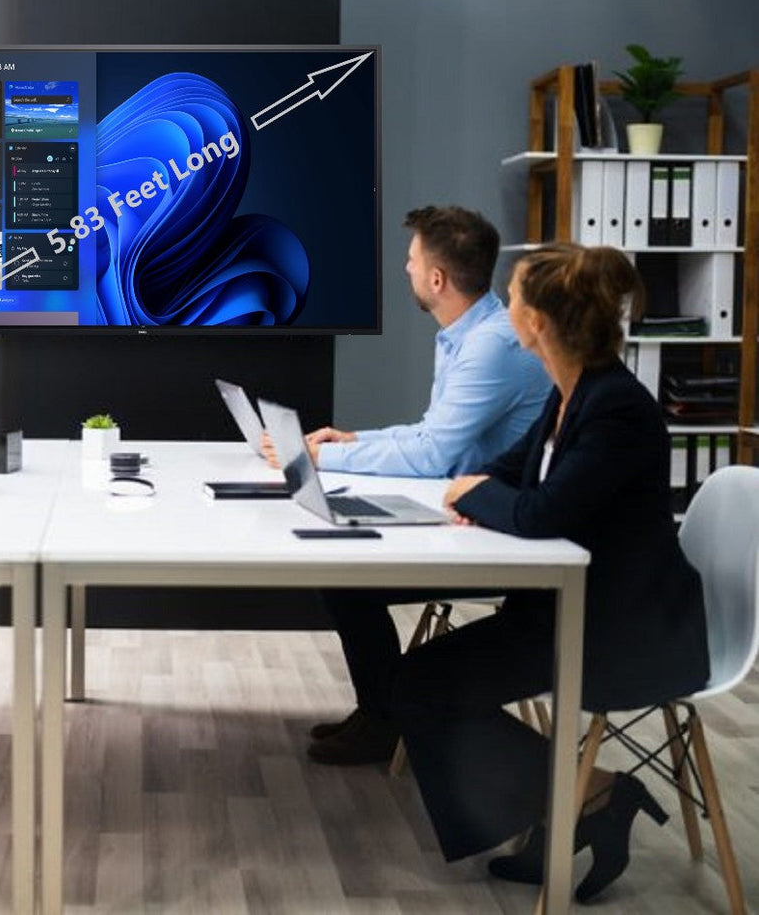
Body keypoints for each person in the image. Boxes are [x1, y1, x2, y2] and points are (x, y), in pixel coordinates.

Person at [392, 242, 708, 902]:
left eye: (510, 296)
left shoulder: (614, 406)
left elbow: (539, 511)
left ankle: (589, 795)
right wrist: (472, 487)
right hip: (571, 609)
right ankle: (575, 802)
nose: (503, 305)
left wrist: (469, 494)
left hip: (626, 631)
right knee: (419, 680)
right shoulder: (571, 393)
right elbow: (512, 472)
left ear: (535, 322)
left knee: (422, 683)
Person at [264, 205, 551, 764]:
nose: (406, 268)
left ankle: (384, 719)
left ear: (438, 279)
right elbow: (431, 435)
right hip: (464, 509)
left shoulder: (490, 346)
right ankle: (380, 713)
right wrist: (351, 442)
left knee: (348, 583)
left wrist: (319, 457)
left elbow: (433, 453)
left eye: (413, 260)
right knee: (342, 577)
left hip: (493, 529)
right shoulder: (467, 334)